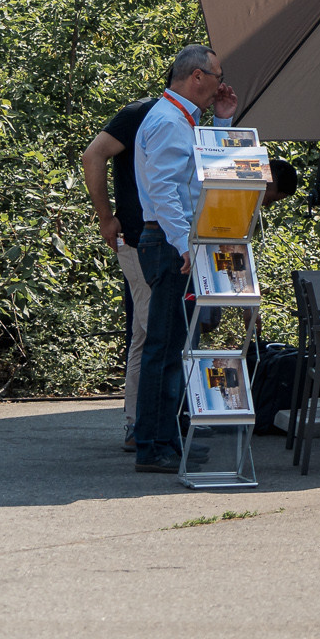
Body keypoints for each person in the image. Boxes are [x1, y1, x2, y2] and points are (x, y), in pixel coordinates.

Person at [131, 45, 237, 474]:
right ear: (196, 77)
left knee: (177, 345)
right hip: (170, 243)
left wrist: (225, 120)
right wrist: (184, 245)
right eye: (216, 76)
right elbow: (165, 192)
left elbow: (212, 172)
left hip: (176, 242)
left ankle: (167, 440)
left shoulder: (180, 119)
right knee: (166, 345)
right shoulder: (168, 121)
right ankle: (154, 445)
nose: (220, 84)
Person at [79, 93, 156, 451]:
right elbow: (92, 154)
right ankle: (145, 425)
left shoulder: (189, 120)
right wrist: (105, 217)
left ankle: (141, 422)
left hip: (166, 243)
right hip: (138, 238)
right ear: (193, 77)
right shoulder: (140, 112)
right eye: (215, 75)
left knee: (146, 329)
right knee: (154, 328)